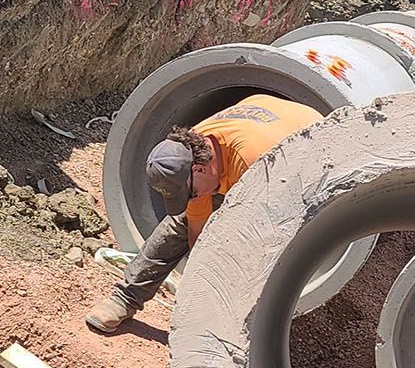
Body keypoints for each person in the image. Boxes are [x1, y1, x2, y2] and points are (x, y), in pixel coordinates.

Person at [86, 93, 322, 334]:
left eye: (190, 193)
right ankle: (125, 297)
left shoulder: (252, 162)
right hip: (267, 118)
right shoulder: (191, 150)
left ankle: (247, 328)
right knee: (180, 224)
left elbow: (263, 239)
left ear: (199, 169)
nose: (191, 199)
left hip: (313, 154)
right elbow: (196, 233)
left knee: (251, 245)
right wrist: (197, 280)